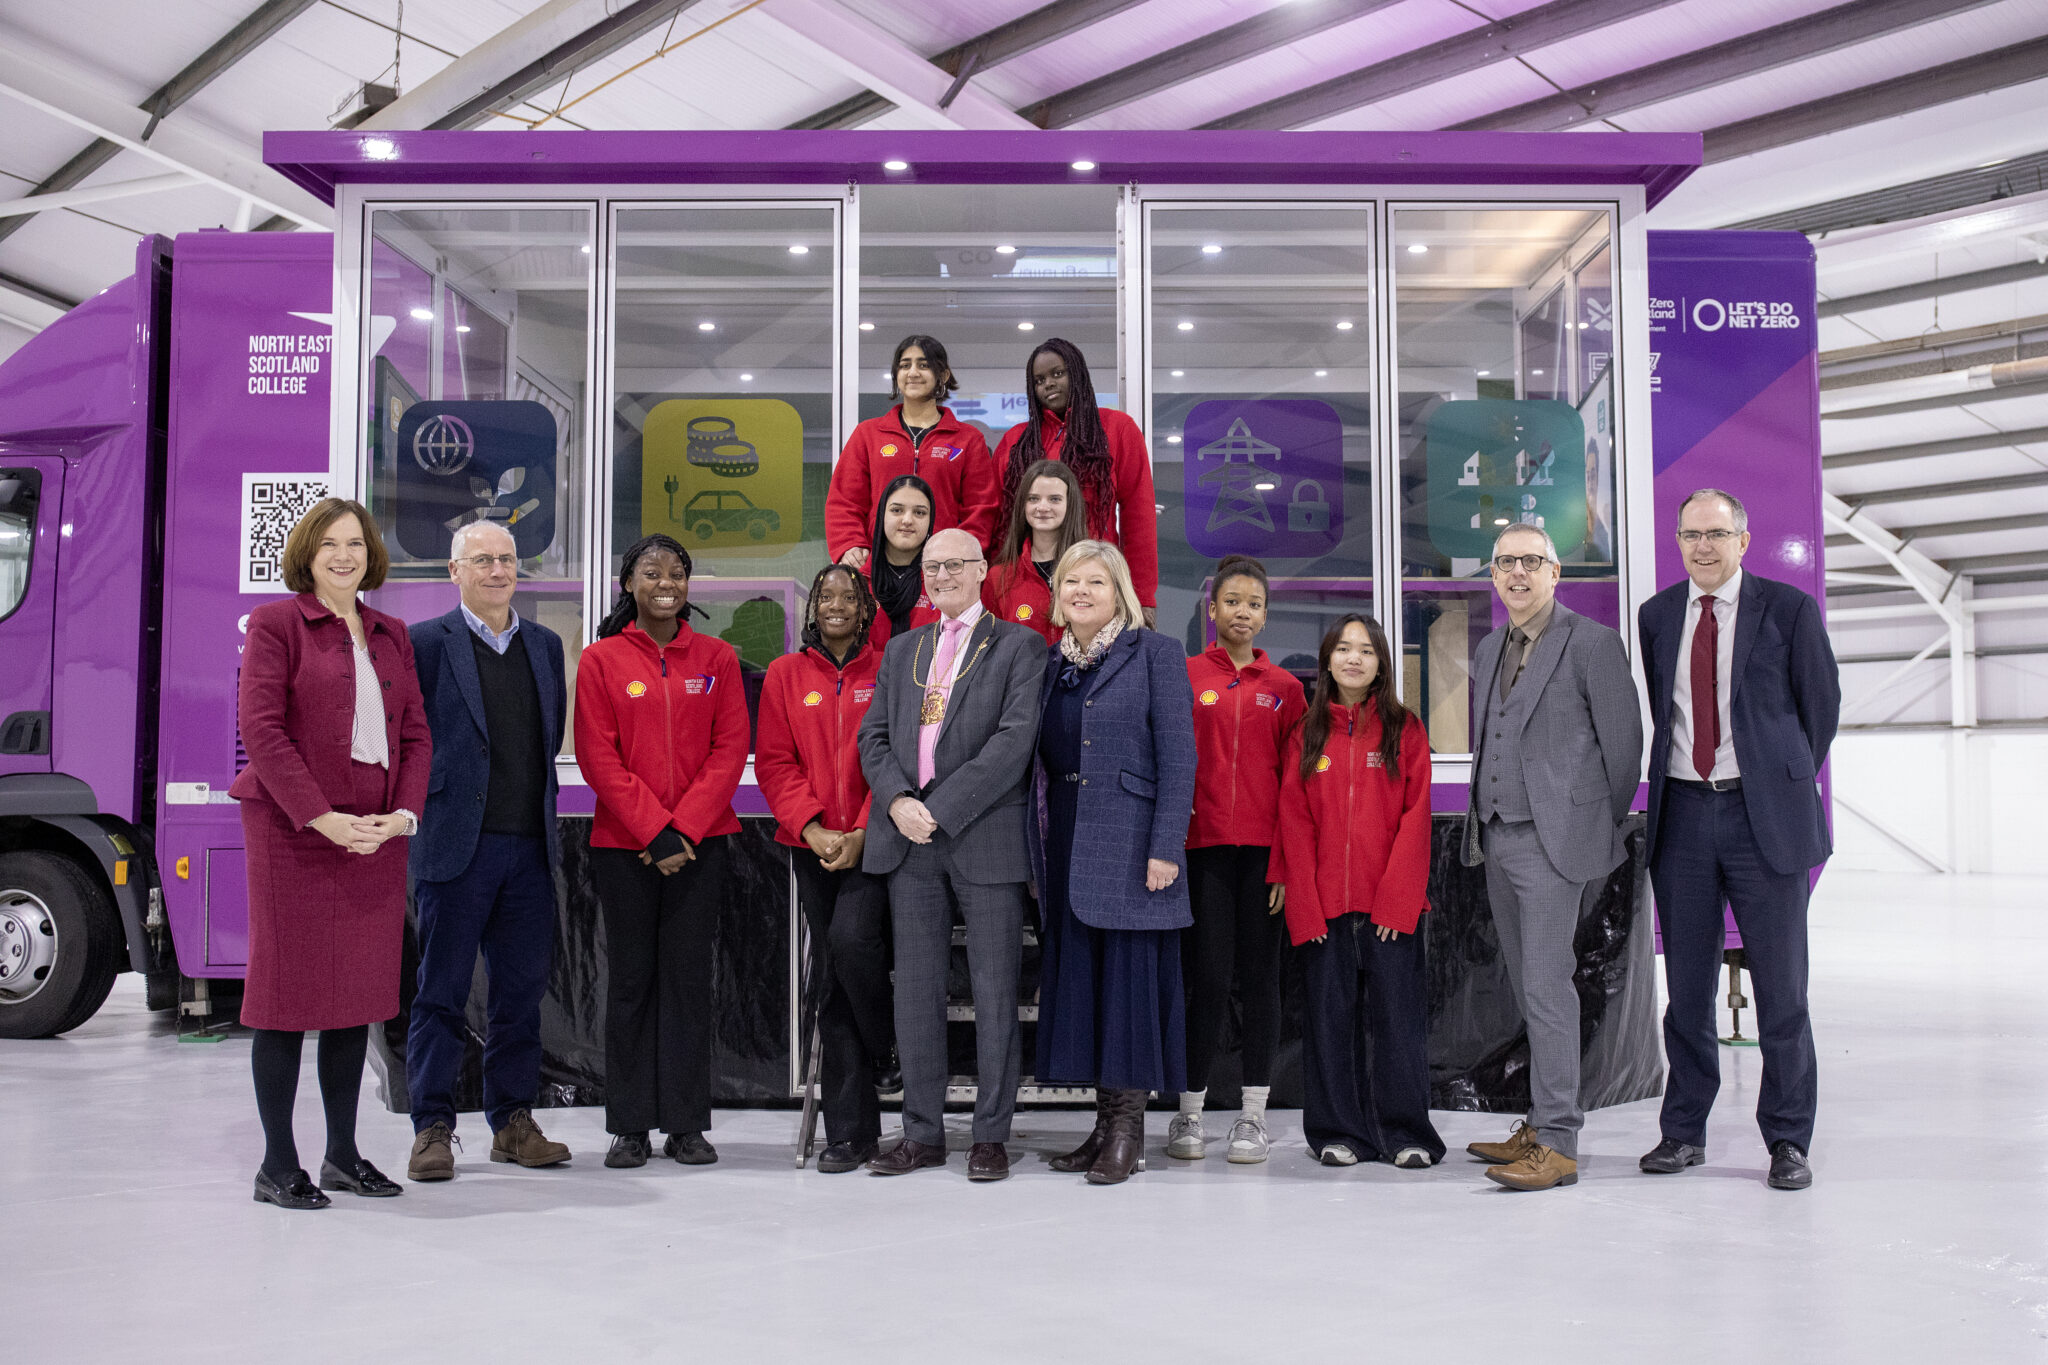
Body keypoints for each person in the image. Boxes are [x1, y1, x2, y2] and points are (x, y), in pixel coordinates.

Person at [1637, 489, 1839, 1191]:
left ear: (1743, 541)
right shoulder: (1658, 615)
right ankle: (1682, 1131)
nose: (1703, 546)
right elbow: (1664, 709)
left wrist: (1776, 781)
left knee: (1782, 991)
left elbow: (1820, 709)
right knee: (1687, 991)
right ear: (1678, 541)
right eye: (1691, 534)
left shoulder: (1788, 610)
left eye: (1717, 534)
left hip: (1764, 821)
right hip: (1683, 818)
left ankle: (1787, 1139)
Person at [229, 498, 428, 1209]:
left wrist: (401, 816)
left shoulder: (391, 634)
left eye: (356, 544)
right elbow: (262, 729)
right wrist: (322, 818)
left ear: (371, 554)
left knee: (355, 998)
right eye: (329, 544)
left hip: (375, 834)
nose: (344, 556)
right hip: (293, 835)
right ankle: (277, 1165)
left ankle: (342, 1155)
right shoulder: (276, 623)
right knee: (284, 1000)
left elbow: (415, 735)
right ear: (307, 555)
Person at [857, 527, 1045, 1182]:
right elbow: (874, 737)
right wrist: (897, 801)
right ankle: (922, 1133)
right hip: (908, 839)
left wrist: (940, 806)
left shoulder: (1019, 645)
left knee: (995, 992)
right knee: (915, 991)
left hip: (983, 835)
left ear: (981, 570)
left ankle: (990, 1135)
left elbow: (1014, 741)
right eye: (931, 566)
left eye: (953, 565)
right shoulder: (903, 648)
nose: (940, 576)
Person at [1459, 523, 1642, 1192]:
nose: (1517, 572)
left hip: (1551, 843)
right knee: (1528, 986)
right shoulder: (1489, 648)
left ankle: (1559, 1141)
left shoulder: (1592, 643)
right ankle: (1539, 1124)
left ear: (1555, 572)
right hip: (1495, 835)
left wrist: (1580, 826)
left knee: (1546, 987)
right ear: (1493, 573)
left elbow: (1624, 752)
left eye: (1531, 561)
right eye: (1505, 562)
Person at [403, 521, 571, 1181]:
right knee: (440, 993)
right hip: (453, 847)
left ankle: (512, 1121)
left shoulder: (545, 646)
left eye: (506, 559)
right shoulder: (425, 644)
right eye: (482, 560)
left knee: (520, 997)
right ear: (455, 571)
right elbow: (411, 739)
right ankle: (431, 1127)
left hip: (528, 848)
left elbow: (547, 738)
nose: (498, 570)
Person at [574, 534, 748, 1170]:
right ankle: (629, 1126)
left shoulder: (718, 658)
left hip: (701, 847)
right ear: (629, 584)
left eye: (677, 573)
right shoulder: (600, 660)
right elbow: (597, 756)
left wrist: (685, 830)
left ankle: (685, 1124)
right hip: (625, 847)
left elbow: (730, 750)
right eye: (652, 573)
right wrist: (654, 830)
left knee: (687, 983)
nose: (666, 583)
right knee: (630, 983)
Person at [1029, 541, 1198, 1185]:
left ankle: (1128, 1134)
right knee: (1089, 990)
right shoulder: (1050, 664)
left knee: (1128, 989)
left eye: (1095, 581)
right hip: (1065, 837)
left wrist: (1165, 847)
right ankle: (1101, 1129)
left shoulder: (1155, 653)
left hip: (1132, 844)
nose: (1081, 590)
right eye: (1071, 580)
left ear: (1119, 591)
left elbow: (1179, 757)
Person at [1276, 614, 1444, 1170]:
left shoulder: (1405, 729)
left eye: (1366, 650)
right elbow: (1294, 821)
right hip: (1325, 908)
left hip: (1388, 909)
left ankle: (1406, 1133)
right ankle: (1338, 1132)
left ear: (1380, 665)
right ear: (1327, 660)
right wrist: (1305, 905)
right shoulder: (1306, 733)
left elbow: (1416, 818)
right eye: (1344, 649)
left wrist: (1398, 902)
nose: (1354, 658)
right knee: (1329, 1023)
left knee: (1397, 1024)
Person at [756, 563, 896, 1173]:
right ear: (813, 607)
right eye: (825, 595)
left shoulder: (891, 668)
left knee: (850, 943)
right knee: (833, 979)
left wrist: (862, 830)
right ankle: (850, 1132)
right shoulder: (785, 675)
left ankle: (885, 1044)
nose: (836, 603)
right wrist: (813, 828)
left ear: (865, 609)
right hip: (810, 844)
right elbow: (774, 762)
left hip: (877, 842)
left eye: (848, 595)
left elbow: (896, 756)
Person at [1170, 556, 1305, 1164]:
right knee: (1205, 979)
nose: (1242, 612)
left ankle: (1253, 1116)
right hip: (1201, 853)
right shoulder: (1185, 675)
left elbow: (1296, 785)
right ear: (1212, 609)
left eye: (1254, 603)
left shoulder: (1287, 690)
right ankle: (1189, 1112)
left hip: (1263, 860)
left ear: (1266, 615)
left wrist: (1285, 863)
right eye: (1232, 601)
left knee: (1261, 982)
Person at [992, 339, 1160, 618]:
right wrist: (994, 586)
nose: (1048, 384)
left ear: (1077, 373)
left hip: (1095, 580)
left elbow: (1139, 516)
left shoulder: (1117, 429)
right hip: (1027, 583)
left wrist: (1142, 596)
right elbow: (1000, 521)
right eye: (1039, 380)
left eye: (1058, 373)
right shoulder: (1016, 441)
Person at [826, 335, 999, 565]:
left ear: (943, 375)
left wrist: (961, 555)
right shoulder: (868, 434)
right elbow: (844, 500)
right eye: (905, 365)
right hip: (877, 569)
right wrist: (850, 544)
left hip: (942, 570)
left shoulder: (968, 440)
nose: (913, 372)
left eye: (924, 365)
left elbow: (981, 509)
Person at [983, 458, 1086, 647]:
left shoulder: (1092, 571)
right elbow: (988, 647)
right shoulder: (999, 578)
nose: (1043, 507)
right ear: (1023, 505)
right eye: (1033, 499)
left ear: (1070, 504)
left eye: (1054, 499)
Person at [862, 473, 941, 647]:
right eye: (897, 510)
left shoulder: (943, 583)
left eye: (919, 513)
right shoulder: (857, 583)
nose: (907, 520)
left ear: (930, 521)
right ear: (882, 515)